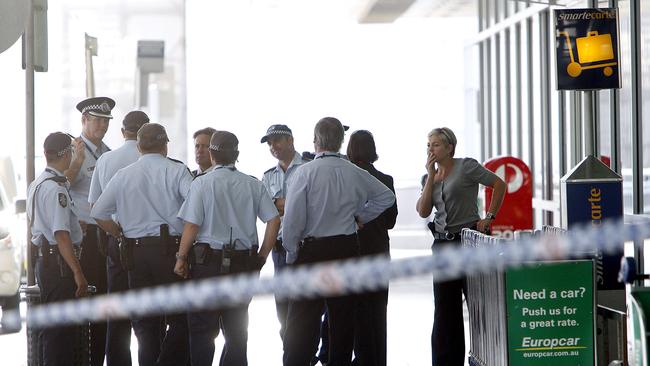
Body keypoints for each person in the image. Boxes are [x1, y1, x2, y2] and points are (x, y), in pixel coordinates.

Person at [281, 117, 396, 366]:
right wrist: (360, 217)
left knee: (301, 322)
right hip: (346, 249)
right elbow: (386, 197)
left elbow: (292, 221)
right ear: (341, 141)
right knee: (342, 321)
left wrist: (292, 254)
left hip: (311, 251)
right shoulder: (354, 171)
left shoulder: (304, 173)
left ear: (315, 140)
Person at [174, 130, 281, 366]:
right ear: (237, 155)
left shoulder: (201, 183)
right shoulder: (253, 184)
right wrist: (262, 256)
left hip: (206, 265)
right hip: (244, 263)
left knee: (202, 331)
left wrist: (181, 257)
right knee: (236, 332)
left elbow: (192, 225)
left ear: (211, 155)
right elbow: (274, 220)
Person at [91, 123, 192, 366]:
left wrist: (119, 234)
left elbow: (98, 212)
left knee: (144, 325)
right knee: (180, 319)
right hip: (170, 251)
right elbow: (196, 209)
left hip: (135, 253)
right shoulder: (176, 171)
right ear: (165, 146)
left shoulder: (123, 175)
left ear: (138, 147)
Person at [415, 127, 506, 366]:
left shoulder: (466, 166)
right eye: (428, 145)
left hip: (466, 243)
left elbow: (499, 184)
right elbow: (423, 210)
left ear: (449, 147)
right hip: (442, 246)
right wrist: (429, 177)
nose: (430, 149)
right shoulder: (430, 177)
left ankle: (484, 357)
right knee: (444, 310)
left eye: (435, 145)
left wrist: (490, 216)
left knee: (476, 305)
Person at [88, 110, 150, 366]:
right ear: (147, 131)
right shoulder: (156, 158)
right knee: (148, 316)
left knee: (118, 314)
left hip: (117, 243)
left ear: (123, 132)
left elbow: (95, 205)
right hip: (151, 245)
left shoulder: (106, 159)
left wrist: (116, 232)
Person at [27, 132, 89, 365]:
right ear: (67, 154)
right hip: (59, 266)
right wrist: (78, 272)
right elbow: (61, 235)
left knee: (51, 331)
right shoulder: (57, 189)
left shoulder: (38, 183)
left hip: (46, 262)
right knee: (60, 334)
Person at [65, 96, 115, 366]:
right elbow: (62, 186)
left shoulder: (108, 152)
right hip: (84, 237)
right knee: (85, 301)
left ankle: (98, 358)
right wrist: (76, 163)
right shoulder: (74, 149)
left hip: (106, 235)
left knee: (104, 301)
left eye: (106, 121)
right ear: (84, 120)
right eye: (97, 120)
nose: (102, 126)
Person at [346, 130, 398, 366]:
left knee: (356, 312)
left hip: (352, 252)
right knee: (379, 311)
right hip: (378, 251)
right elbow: (390, 221)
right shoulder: (386, 179)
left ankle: (362, 359)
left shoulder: (347, 178)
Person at [260, 124, 309, 342]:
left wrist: (282, 204)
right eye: (269, 143)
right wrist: (283, 204)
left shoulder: (309, 168)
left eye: (277, 141)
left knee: (308, 304)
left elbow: (313, 205)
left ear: (290, 140)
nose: (273, 146)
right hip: (279, 248)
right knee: (283, 305)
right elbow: (264, 211)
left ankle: (307, 353)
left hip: (307, 245)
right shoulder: (268, 176)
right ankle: (289, 352)